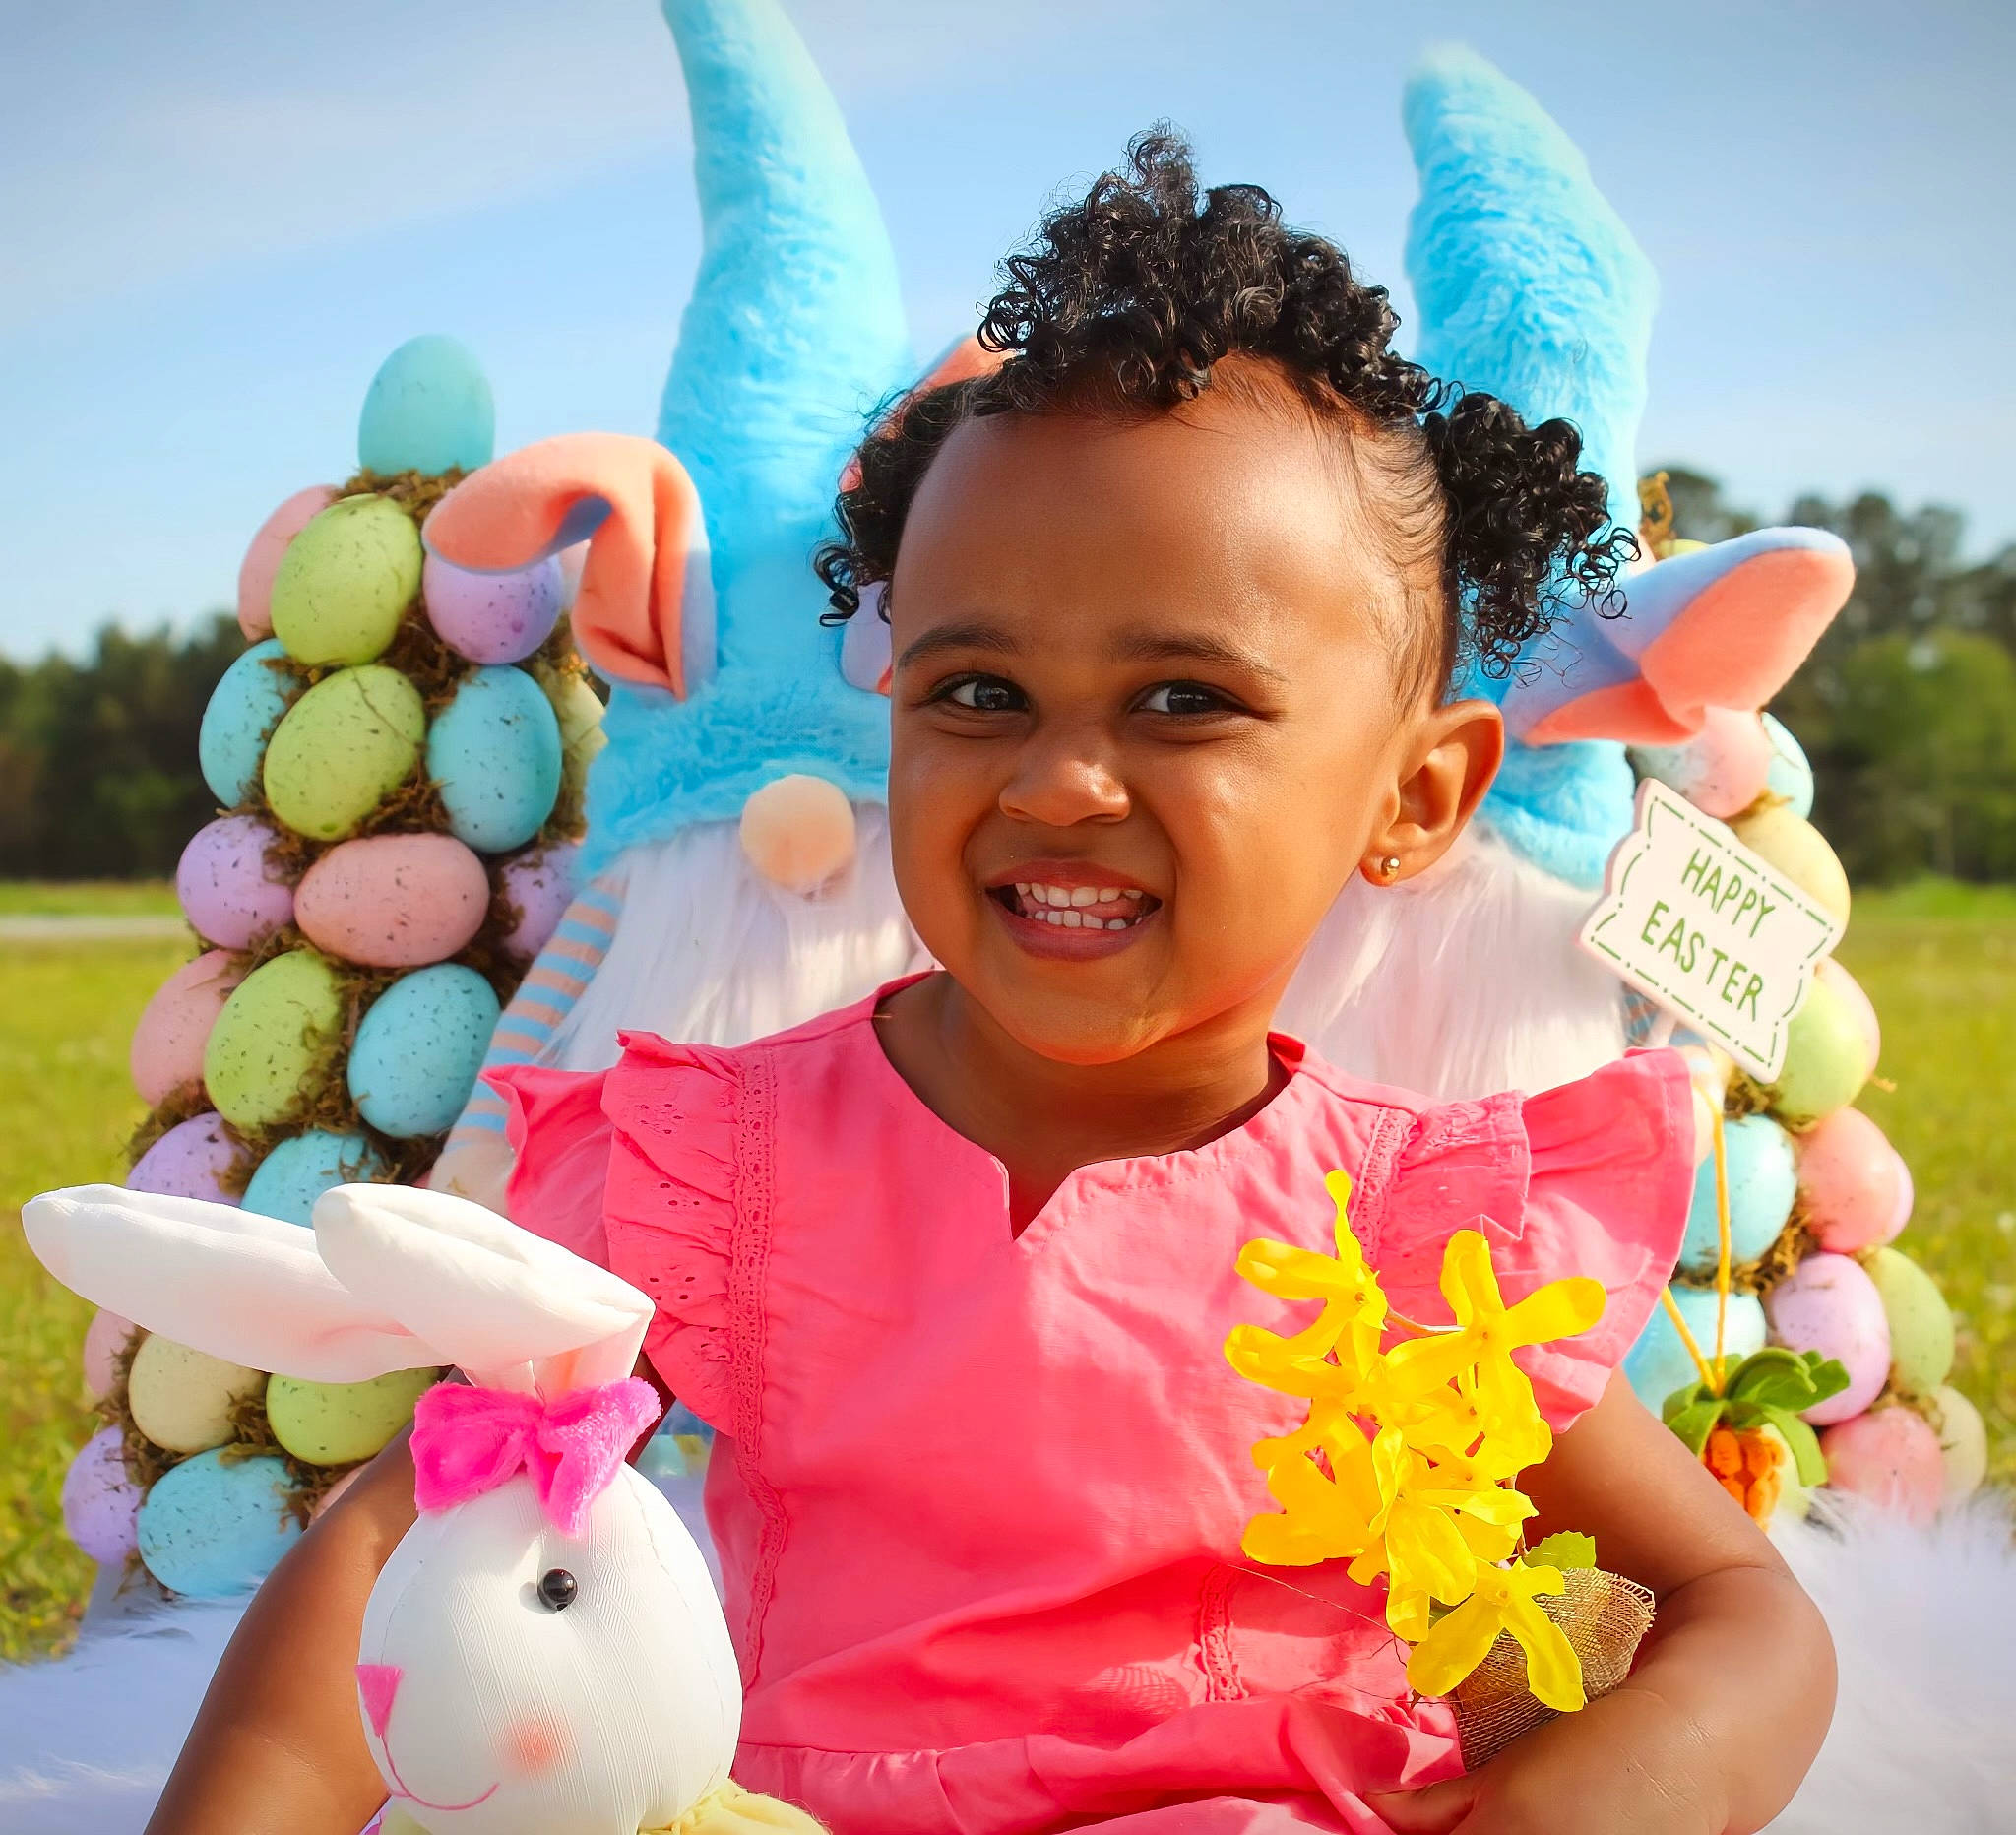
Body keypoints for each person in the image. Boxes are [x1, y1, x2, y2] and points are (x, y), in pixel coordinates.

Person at [146, 134, 1833, 1835]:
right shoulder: (719, 1164)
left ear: (1416, 797)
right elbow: (422, 1524)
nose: (1056, 784)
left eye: (1184, 702)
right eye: (976, 692)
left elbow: (1743, 1617)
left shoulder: (1415, 1234)